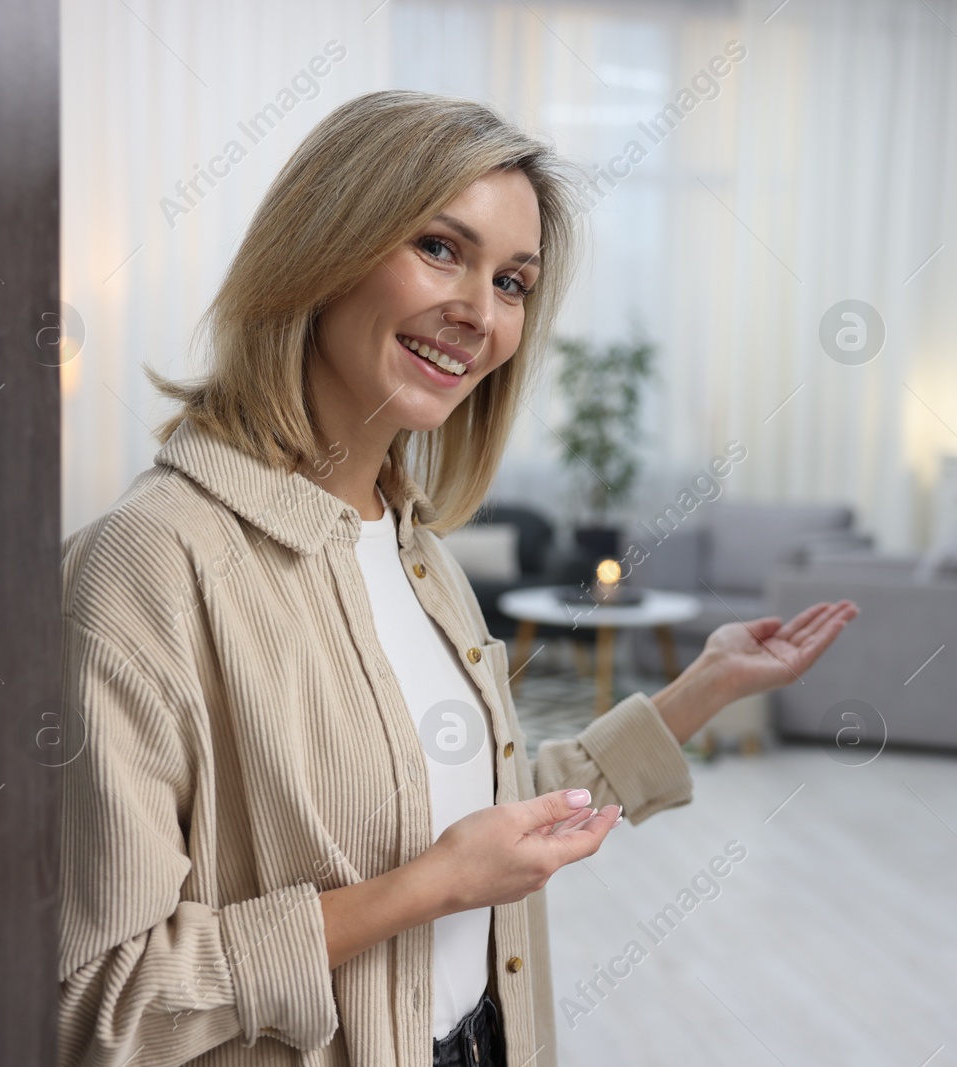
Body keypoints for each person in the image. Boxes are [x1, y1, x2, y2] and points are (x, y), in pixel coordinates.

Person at [58, 89, 858, 1067]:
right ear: (324, 247)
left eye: (514, 282)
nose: (480, 313)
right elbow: (95, 1002)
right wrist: (423, 888)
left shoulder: (411, 543)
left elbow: (482, 816)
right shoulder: (147, 562)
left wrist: (705, 687)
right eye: (440, 247)